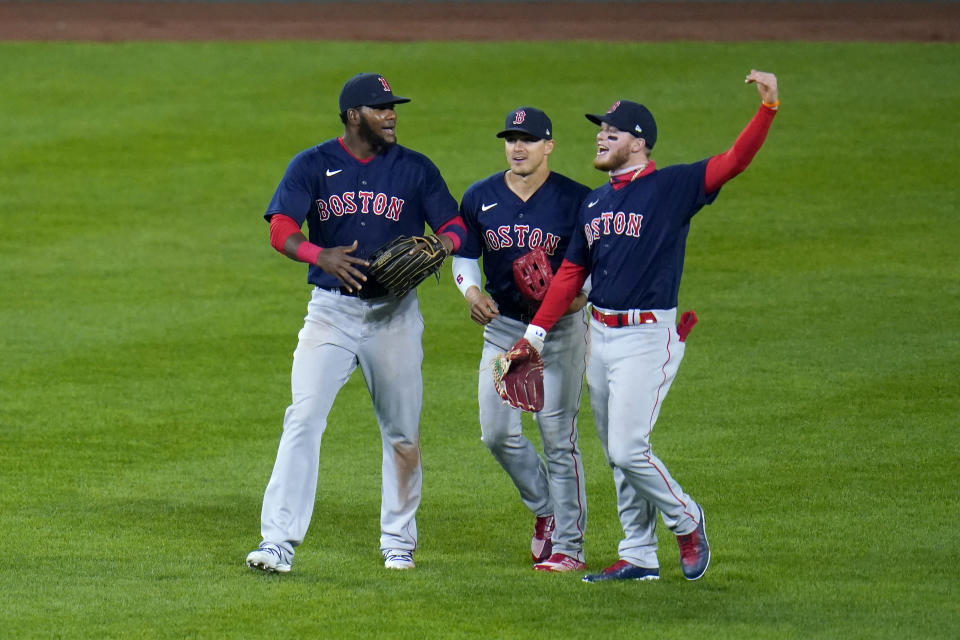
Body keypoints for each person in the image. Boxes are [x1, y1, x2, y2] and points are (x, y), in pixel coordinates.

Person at [512, 70, 780, 582]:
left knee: (627, 448)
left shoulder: (672, 186)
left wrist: (766, 109)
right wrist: (535, 335)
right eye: (599, 130)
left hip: (646, 338)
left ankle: (686, 519)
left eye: (611, 132)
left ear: (638, 142)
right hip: (600, 336)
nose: (600, 136)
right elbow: (571, 274)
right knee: (619, 455)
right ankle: (639, 555)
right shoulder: (594, 202)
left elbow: (734, 162)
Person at [245, 72, 467, 573]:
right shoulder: (313, 164)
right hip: (331, 314)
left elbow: (454, 226)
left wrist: (441, 246)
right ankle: (278, 541)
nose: (391, 115)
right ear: (352, 116)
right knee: (302, 419)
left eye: (393, 108)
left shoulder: (416, 169)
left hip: (396, 317)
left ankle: (398, 542)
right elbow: (281, 226)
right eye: (380, 108)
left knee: (403, 434)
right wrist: (317, 254)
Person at [453, 107, 592, 572]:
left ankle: (569, 548)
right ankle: (545, 509)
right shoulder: (481, 196)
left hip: (561, 332)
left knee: (558, 438)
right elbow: (465, 255)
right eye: (511, 138)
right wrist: (470, 290)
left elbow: (597, 264)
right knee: (495, 432)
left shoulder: (578, 199)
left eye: (528, 140)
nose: (517, 147)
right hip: (505, 329)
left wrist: (579, 299)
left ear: (549, 145)